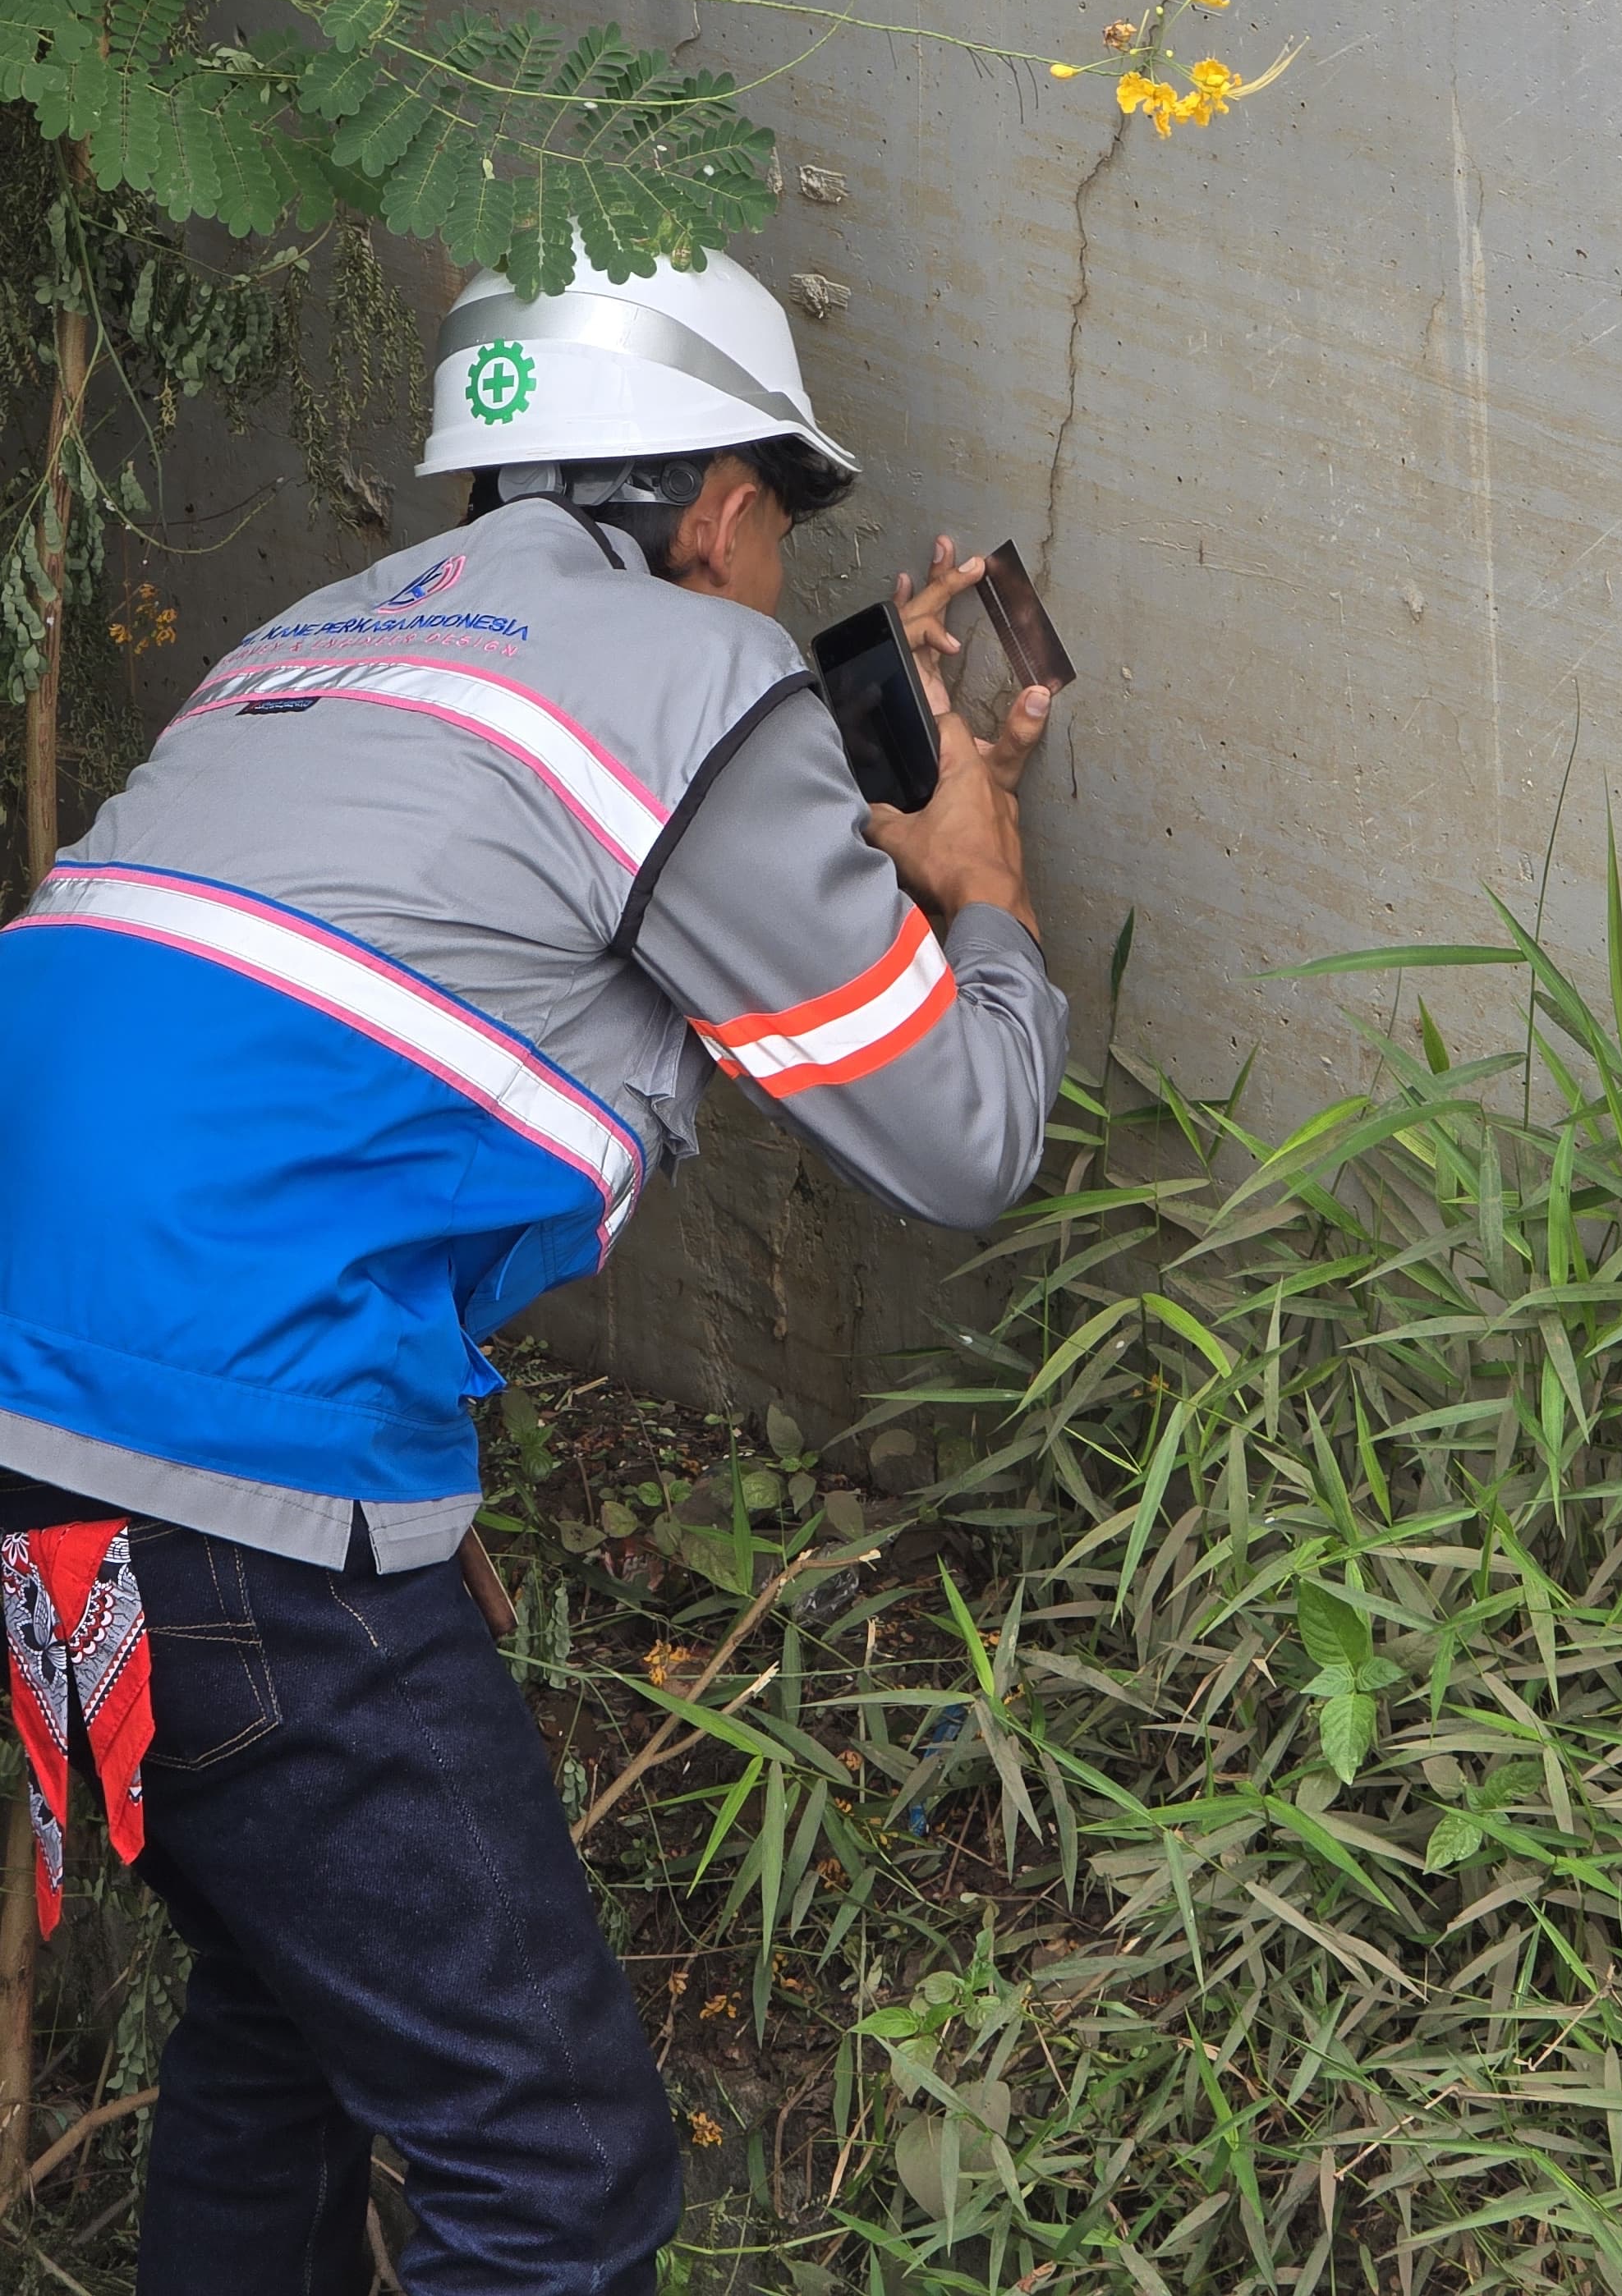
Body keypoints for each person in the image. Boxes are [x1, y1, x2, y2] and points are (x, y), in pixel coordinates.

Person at [0, 242, 1067, 2294]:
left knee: (287, 2031)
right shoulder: (695, 675)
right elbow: (958, 1138)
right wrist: (981, 887)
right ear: (729, 508)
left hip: (56, 1434)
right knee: (556, 2165)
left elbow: (387, 995)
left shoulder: (309, 643)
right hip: (224, 1442)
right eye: (775, 527)